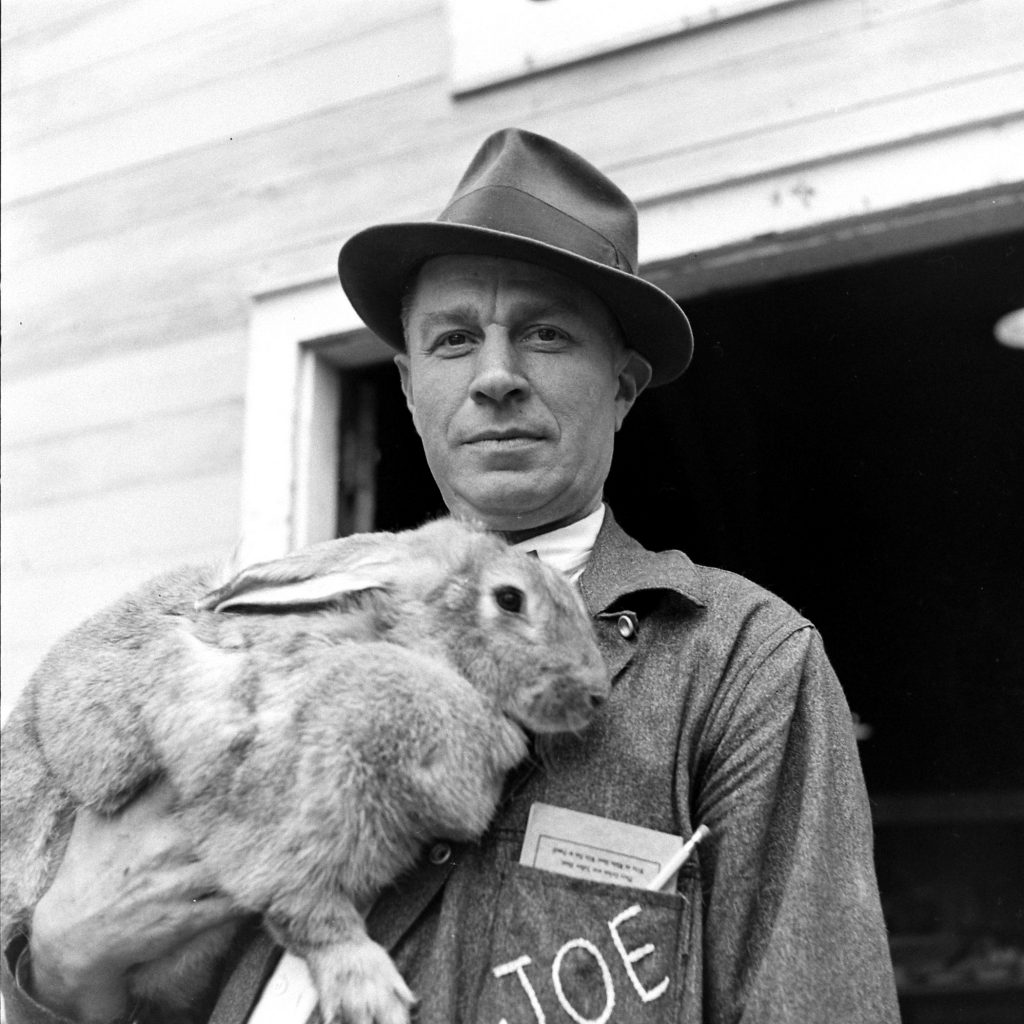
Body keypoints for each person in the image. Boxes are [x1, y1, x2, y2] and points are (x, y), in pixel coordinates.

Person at [2, 128, 900, 1023]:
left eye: (545, 334)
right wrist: (60, 957)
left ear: (623, 384)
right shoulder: (285, 621)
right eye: (454, 339)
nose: (496, 376)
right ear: (407, 383)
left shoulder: (742, 668)